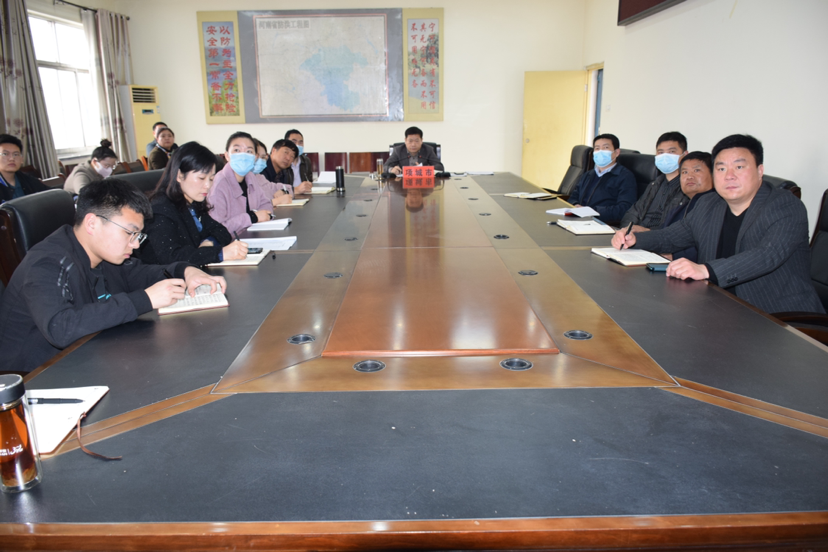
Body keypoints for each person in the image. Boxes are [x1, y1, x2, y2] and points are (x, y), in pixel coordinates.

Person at [0, 179, 226, 373]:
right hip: (35, 376)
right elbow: (60, 328)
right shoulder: (47, 262)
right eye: (130, 233)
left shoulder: (103, 253)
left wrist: (185, 271)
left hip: (86, 355)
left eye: (138, 235)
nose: (135, 244)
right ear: (92, 223)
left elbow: (140, 273)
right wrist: (145, 299)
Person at [612, 134, 824, 314]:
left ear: (760, 171)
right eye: (721, 169)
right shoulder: (709, 203)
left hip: (779, 318)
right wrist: (634, 239)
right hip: (717, 307)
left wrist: (706, 270)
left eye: (739, 167)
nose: (729, 176)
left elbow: (767, 255)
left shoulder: (785, 205)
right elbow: (672, 235)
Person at [140, 141, 249, 266]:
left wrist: (209, 242)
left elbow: (221, 231)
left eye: (211, 179)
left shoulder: (193, 203)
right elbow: (171, 257)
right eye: (201, 178)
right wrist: (220, 253)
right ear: (180, 176)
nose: (208, 185)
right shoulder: (160, 209)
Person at [207, 131, 276, 236]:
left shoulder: (250, 176)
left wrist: (263, 215)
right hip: (231, 243)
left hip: (254, 236)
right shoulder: (219, 184)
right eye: (237, 150)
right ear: (227, 156)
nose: (243, 156)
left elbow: (265, 203)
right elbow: (217, 229)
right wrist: (252, 217)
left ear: (255, 157)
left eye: (249, 151)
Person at [619, 132, 689, 232]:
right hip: (635, 236)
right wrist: (627, 229)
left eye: (671, 152)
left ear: (685, 155)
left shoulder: (688, 188)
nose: (665, 157)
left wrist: (647, 232)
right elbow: (633, 212)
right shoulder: (655, 183)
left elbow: (676, 228)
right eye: (661, 152)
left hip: (657, 238)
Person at [657, 151, 716, 263]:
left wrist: (674, 256)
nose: (689, 176)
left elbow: (708, 247)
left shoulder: (717, 208)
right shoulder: (678, 209)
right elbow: (662, 236)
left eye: (696, 170)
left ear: (714, 175)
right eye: (684, 172)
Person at [567, 133, 637, 225]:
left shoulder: (625, 176)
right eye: (597, 148)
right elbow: (574, 196)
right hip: (579, 219)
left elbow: (625, 208)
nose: (600, 151)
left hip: (602, 223)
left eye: (605, 148)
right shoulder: (588, 174)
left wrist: (592, 211)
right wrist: (575, 205)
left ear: (617, 152)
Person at [0, 134, 48, 203]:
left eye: (16, 154)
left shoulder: (27, 179)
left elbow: (51, 194)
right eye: (5, 154)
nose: (11, 158)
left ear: (21, 159)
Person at [255, 138, 294, 207]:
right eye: (256, 156)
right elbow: (252, 206)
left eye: (263, 157)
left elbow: (287, 188)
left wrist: (284, 191)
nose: (288, 158)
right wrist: (276, 201)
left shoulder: (258, 177)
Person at [285, 129, 314, 193]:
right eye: (294, 142)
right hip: (288, 196)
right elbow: (278, 188)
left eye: (300, 142)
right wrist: (296, 190)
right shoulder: (282, 162)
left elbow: (309, 181)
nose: (298, 145)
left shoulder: (306, 161)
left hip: (304, 195)